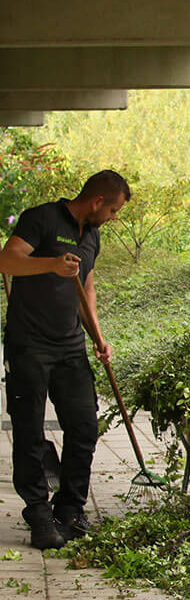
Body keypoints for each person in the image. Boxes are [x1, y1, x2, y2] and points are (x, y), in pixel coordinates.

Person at [0, 170, 129, 549]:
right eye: (114, 210)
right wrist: (51, 264)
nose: (113, 218)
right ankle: (38, 515)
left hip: (70, 347)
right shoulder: (41, 218)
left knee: (85, 428)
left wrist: (98, 339)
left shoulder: (93, 235)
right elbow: (7, 260)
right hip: (28, 347)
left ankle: (69, 509)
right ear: (97, 202)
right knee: (28, 432)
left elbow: (85, 287)